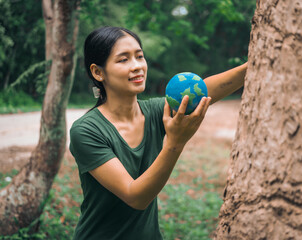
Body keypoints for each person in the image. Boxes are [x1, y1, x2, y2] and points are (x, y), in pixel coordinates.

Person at [69, 26, 248, 240]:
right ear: (98, 72)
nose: (137, 66)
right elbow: (135, 196)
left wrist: (254, 65)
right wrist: (175, 143)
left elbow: (204, 90)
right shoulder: (86, 130)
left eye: (139, 56)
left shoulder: (155, 112)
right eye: (123, 60)